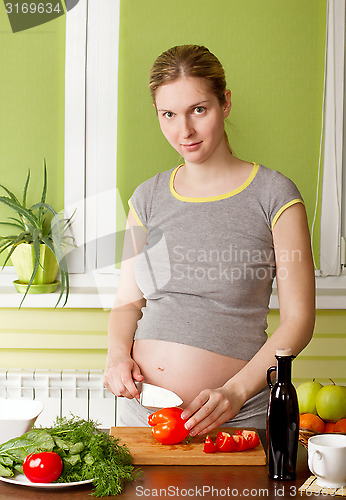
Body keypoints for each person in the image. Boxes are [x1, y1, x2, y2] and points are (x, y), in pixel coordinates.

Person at [103, 45, 315, 435]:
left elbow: (299, 321)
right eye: (169, 115)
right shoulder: (147, 198)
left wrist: (234, 392)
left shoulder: (274, 195)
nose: (184, 131)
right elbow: (127, 304)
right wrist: (117, 356)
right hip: (141, 419)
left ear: (225, 103)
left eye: (198, 110)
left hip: (235, 422)